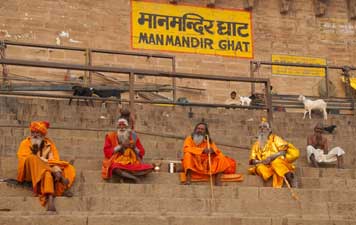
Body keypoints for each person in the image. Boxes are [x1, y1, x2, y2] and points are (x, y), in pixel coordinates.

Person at [17, 121, 76, 212]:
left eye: (38, 133)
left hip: (45, 170)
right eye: (33, 132)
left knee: (55, 171)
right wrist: (38, 158)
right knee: (32, 158)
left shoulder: (49, 144)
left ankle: (51, 201)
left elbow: (55, 159)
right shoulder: (25, 143)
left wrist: (46, 163)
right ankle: (59, 177)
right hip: (31, 172)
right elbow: (23, 160)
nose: (35, 135)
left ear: (43, 135)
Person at [248, 118, 300, 188]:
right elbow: (252, 160)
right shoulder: (256, 144)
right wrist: (261, 161)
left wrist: (271, 157)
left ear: (269, 130)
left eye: (264, 127)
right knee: (259, 168)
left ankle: (290, 176)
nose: (262, 129)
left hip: (278, 161)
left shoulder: (276, 138)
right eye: (260, 127)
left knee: (276, 163)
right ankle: (278, 173)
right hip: (265, 165)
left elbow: (284, 151)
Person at [102, 118, 153, 183]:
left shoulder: (133, 136)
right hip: (117, 160)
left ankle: (125, 176)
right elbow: (107, 151)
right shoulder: (110, 136)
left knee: (150, 168)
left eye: (123, 125)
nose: (121, 127)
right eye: (120, 125)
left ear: (127, 127)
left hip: (132, 160)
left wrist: (134, 147)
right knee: (115, 168)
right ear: (117, 127)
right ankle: (134, 178)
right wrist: (120, 146)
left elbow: (142, 152)